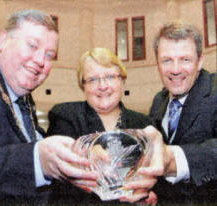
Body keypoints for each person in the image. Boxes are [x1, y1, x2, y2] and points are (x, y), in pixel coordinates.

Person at [0, 10, 98, 205]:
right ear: (3, 40)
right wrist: (36, 161)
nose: (40, 61)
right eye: (32, 46)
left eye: (49, 55)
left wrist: (76, 156)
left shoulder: (23, 96)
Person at [47, 47, 156, 204]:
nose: (103, 86)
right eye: (92, 79)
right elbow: (58, 169)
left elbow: (160, 178)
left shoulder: (145, 125)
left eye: (110, 77)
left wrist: (152, 195)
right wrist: (88, 153)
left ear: (122, 80)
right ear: (83, 85)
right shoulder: (65, 116)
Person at [124, 22, 217, 205]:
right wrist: (152, 193)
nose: (175, 69)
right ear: (157, 63)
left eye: (185, 60)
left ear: (200, 61)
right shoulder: (159, 101)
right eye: (167, 60)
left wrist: (172, 159)